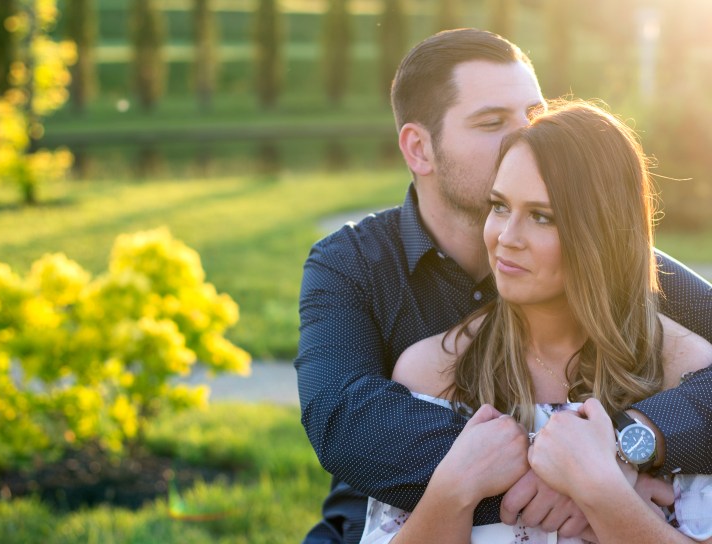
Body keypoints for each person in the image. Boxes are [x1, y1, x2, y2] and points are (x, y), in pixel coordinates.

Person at [295, 28, 712, 544]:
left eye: (534, 115)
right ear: (420, 149)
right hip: (370, 519)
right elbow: (345, 420)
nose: (528, 134)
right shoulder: (352, 265)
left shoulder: (610, 263)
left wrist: (627, 444)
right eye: (492, 122)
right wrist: (562, 478)